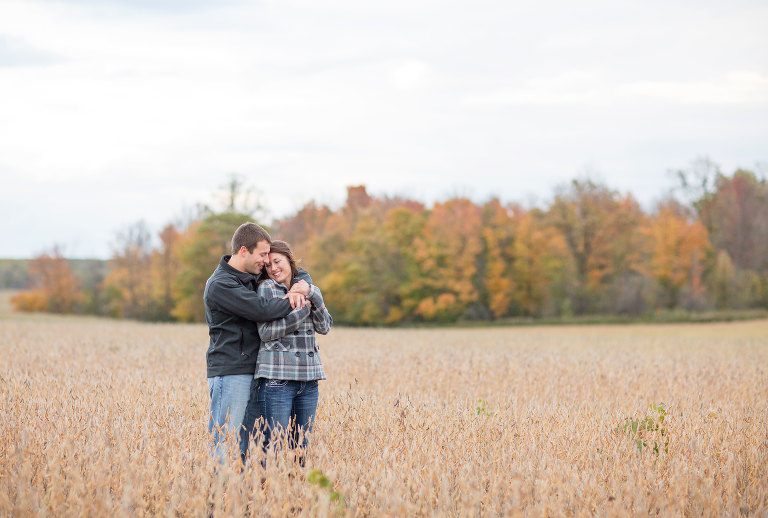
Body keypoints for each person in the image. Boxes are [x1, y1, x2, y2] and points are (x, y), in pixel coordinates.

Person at [204, 223, 312, 462]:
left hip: (255, 371)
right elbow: (261, 309)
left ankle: (242, 495)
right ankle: (215, 497)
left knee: (248, 442)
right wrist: (296, 299)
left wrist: (300, 285)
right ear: (244, 251)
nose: (266, 261)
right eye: (263, 255)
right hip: (231, 371)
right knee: (224, 438)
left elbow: (296, 271)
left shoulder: (250, 276)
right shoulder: (222, 284)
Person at [240, 240, 332, 462]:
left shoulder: (306, 288)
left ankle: (295, 494)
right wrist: (301, 312)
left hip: (309, 380)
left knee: (300, 449)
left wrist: (312, 294)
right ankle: (269, 493)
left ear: (290, 260)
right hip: (277, 381)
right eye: (268, 265)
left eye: (277, 261)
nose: (273, 268)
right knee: (272, 448)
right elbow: (267, 332)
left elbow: (325, 326)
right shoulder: (266, 288)